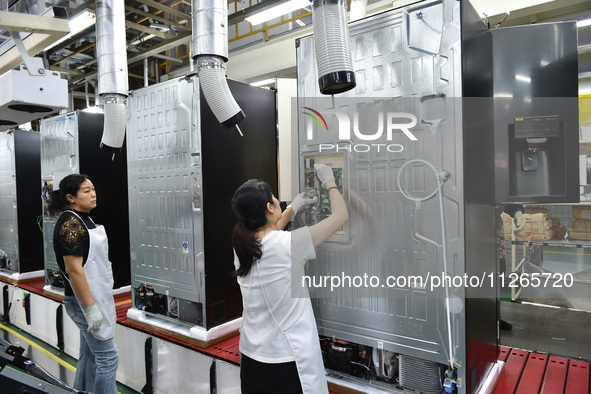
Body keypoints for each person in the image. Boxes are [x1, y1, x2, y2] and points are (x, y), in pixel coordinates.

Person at [231, 164, 348, 394]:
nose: (278, 202)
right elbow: (340, 216)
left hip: (252, 359)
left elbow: (270, 236)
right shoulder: (289, 246)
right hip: (285, 362)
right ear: (268, 207)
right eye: (275, 199)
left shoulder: (241, 246)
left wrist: (292, 209)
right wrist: (330, 182)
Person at [48, 174, 119, 394]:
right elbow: (74, 270)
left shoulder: (84, 219)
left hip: (96, 295)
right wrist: (89, 308)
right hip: (83, 301)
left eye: (93, 189)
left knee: (89, 355)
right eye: (86, 191)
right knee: (108, 357)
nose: (93, 194)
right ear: (71, 197)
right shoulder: (71, 224)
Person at [497, 203, 526, 331]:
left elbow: (509, 202)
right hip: (474, 235)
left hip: (496, 242)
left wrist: (518, 213)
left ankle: (493, 316)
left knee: (498, 275)